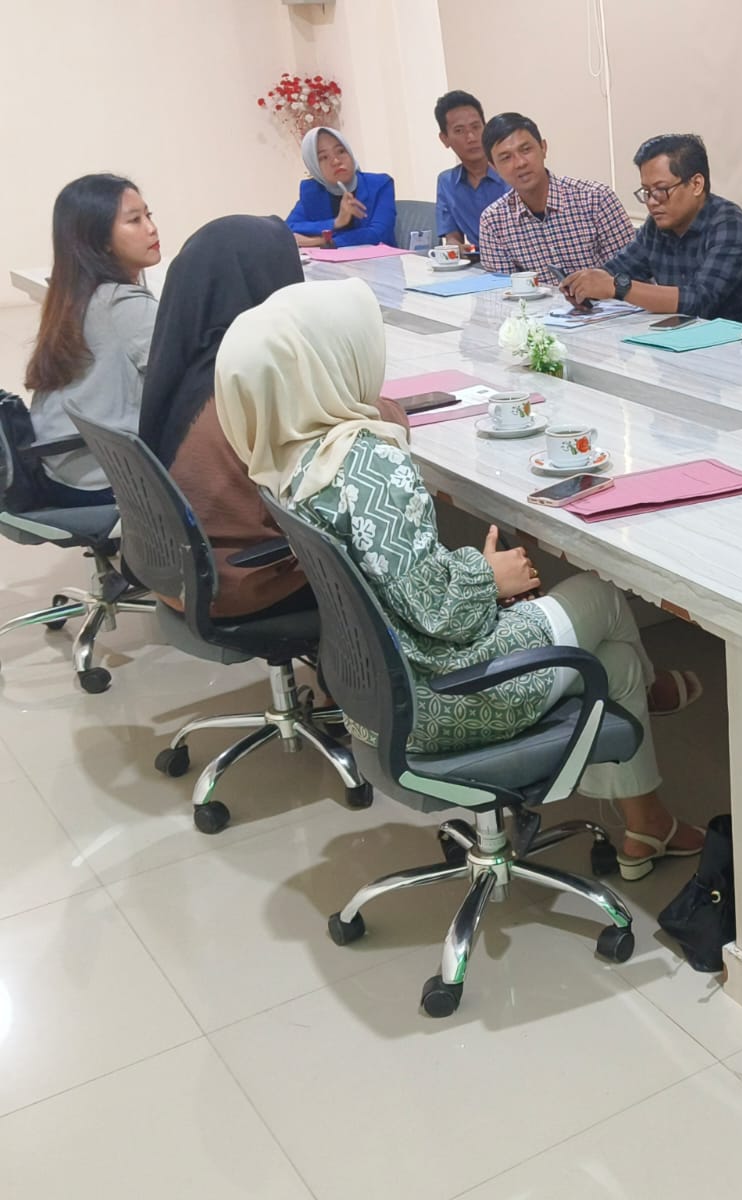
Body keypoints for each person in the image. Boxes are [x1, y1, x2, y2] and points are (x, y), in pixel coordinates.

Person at [213, 277, 705, 879]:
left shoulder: (288, 463)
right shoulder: (369, 463)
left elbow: (387, 582)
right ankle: (649, 700)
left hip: (372, 692)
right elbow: (442, 614)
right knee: (603, 595)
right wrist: (489, 576)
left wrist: (472, 570)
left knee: (616, 665)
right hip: (444, 696)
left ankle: (648, 823)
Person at [139, 214, 371, 618]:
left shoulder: (185, 363)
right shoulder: (258, 380)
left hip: (175, 574)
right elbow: (352, 444)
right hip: (243, 585)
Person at [23, 174, 160, 507]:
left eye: (148, 215)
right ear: (100, 240)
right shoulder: (123, 305)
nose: (151, 228)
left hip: (59, 467)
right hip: (101, 478)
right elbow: (183, 377)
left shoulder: (73, 292)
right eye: (134, 220)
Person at [562, 134, 742, 322]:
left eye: (661, 190)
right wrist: (586, 284)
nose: (652, 202)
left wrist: (618, 287)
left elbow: (700, 301)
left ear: (696, 184)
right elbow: (618, 270)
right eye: (646, 192)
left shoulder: (730, 225)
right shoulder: (656, 226)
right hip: (687, 341)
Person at [477, 112, 633, 277]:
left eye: (526, 150)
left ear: (543, 148)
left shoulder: (596, 199)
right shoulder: (493, 222)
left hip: (606, 294)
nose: (520, 163)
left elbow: (631, 275)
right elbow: (504, 289)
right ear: (494, 167)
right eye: (506, 158)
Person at [285, 127, 397, 248]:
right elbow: (288, 229)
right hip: (329, 260)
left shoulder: (379, 185)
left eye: (341, 151)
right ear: (314, 166)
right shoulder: (312, 192)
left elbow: (378, 234)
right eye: (324, 157)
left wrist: (324, 241)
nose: (336, 161)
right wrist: (337, 222)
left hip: (379, 259)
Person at [433, 90, 509, 246]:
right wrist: (459, 249)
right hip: (476, 259)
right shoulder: (447, 182)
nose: (471, 137)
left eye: (476, 127)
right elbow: (452, 238)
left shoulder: (511, 172)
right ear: (444, 139)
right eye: (459, 131)